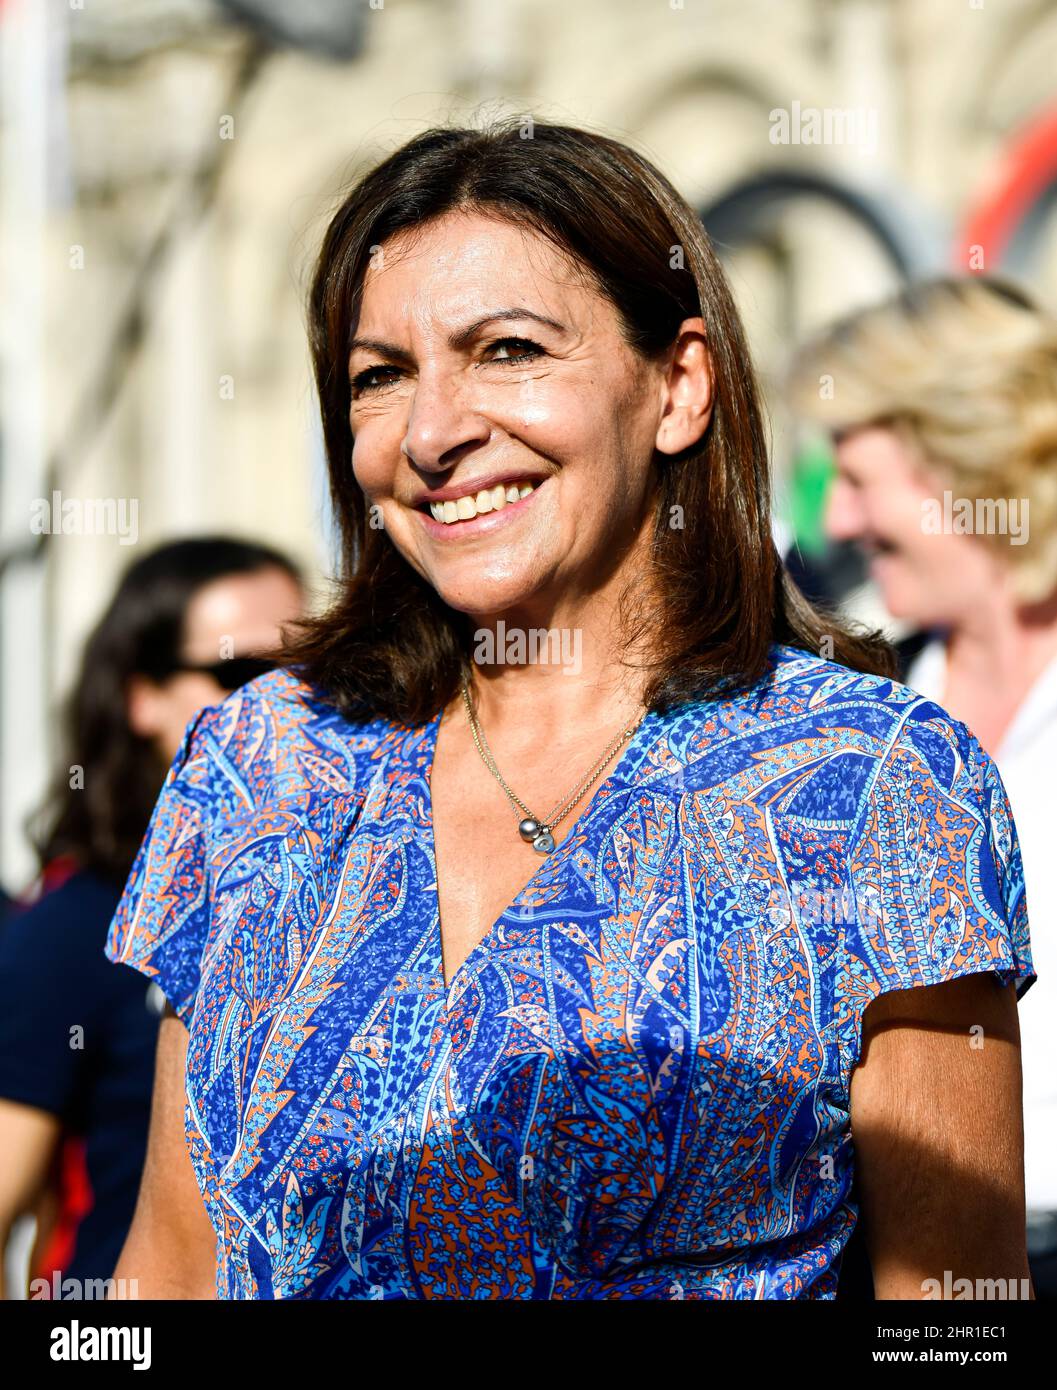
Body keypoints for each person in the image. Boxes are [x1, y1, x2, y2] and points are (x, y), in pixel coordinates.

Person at [106, 120, 1033, 1301]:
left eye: (506, 350)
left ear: (678, 386)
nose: (434, 434)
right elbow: (170, 1275)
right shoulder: (260, 760)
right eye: (378, 375)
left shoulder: (875, 783)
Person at [789, 276, 1057, 1295]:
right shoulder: (865, 705)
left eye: (855, 471)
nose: (841, 516)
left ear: (969, 454)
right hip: (909, 1263)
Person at [0, 537, 304, 1297]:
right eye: (239, 673)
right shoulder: (72, 932)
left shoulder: (340, 898)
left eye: (311, 670)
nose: (281, 700)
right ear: (142, 697)